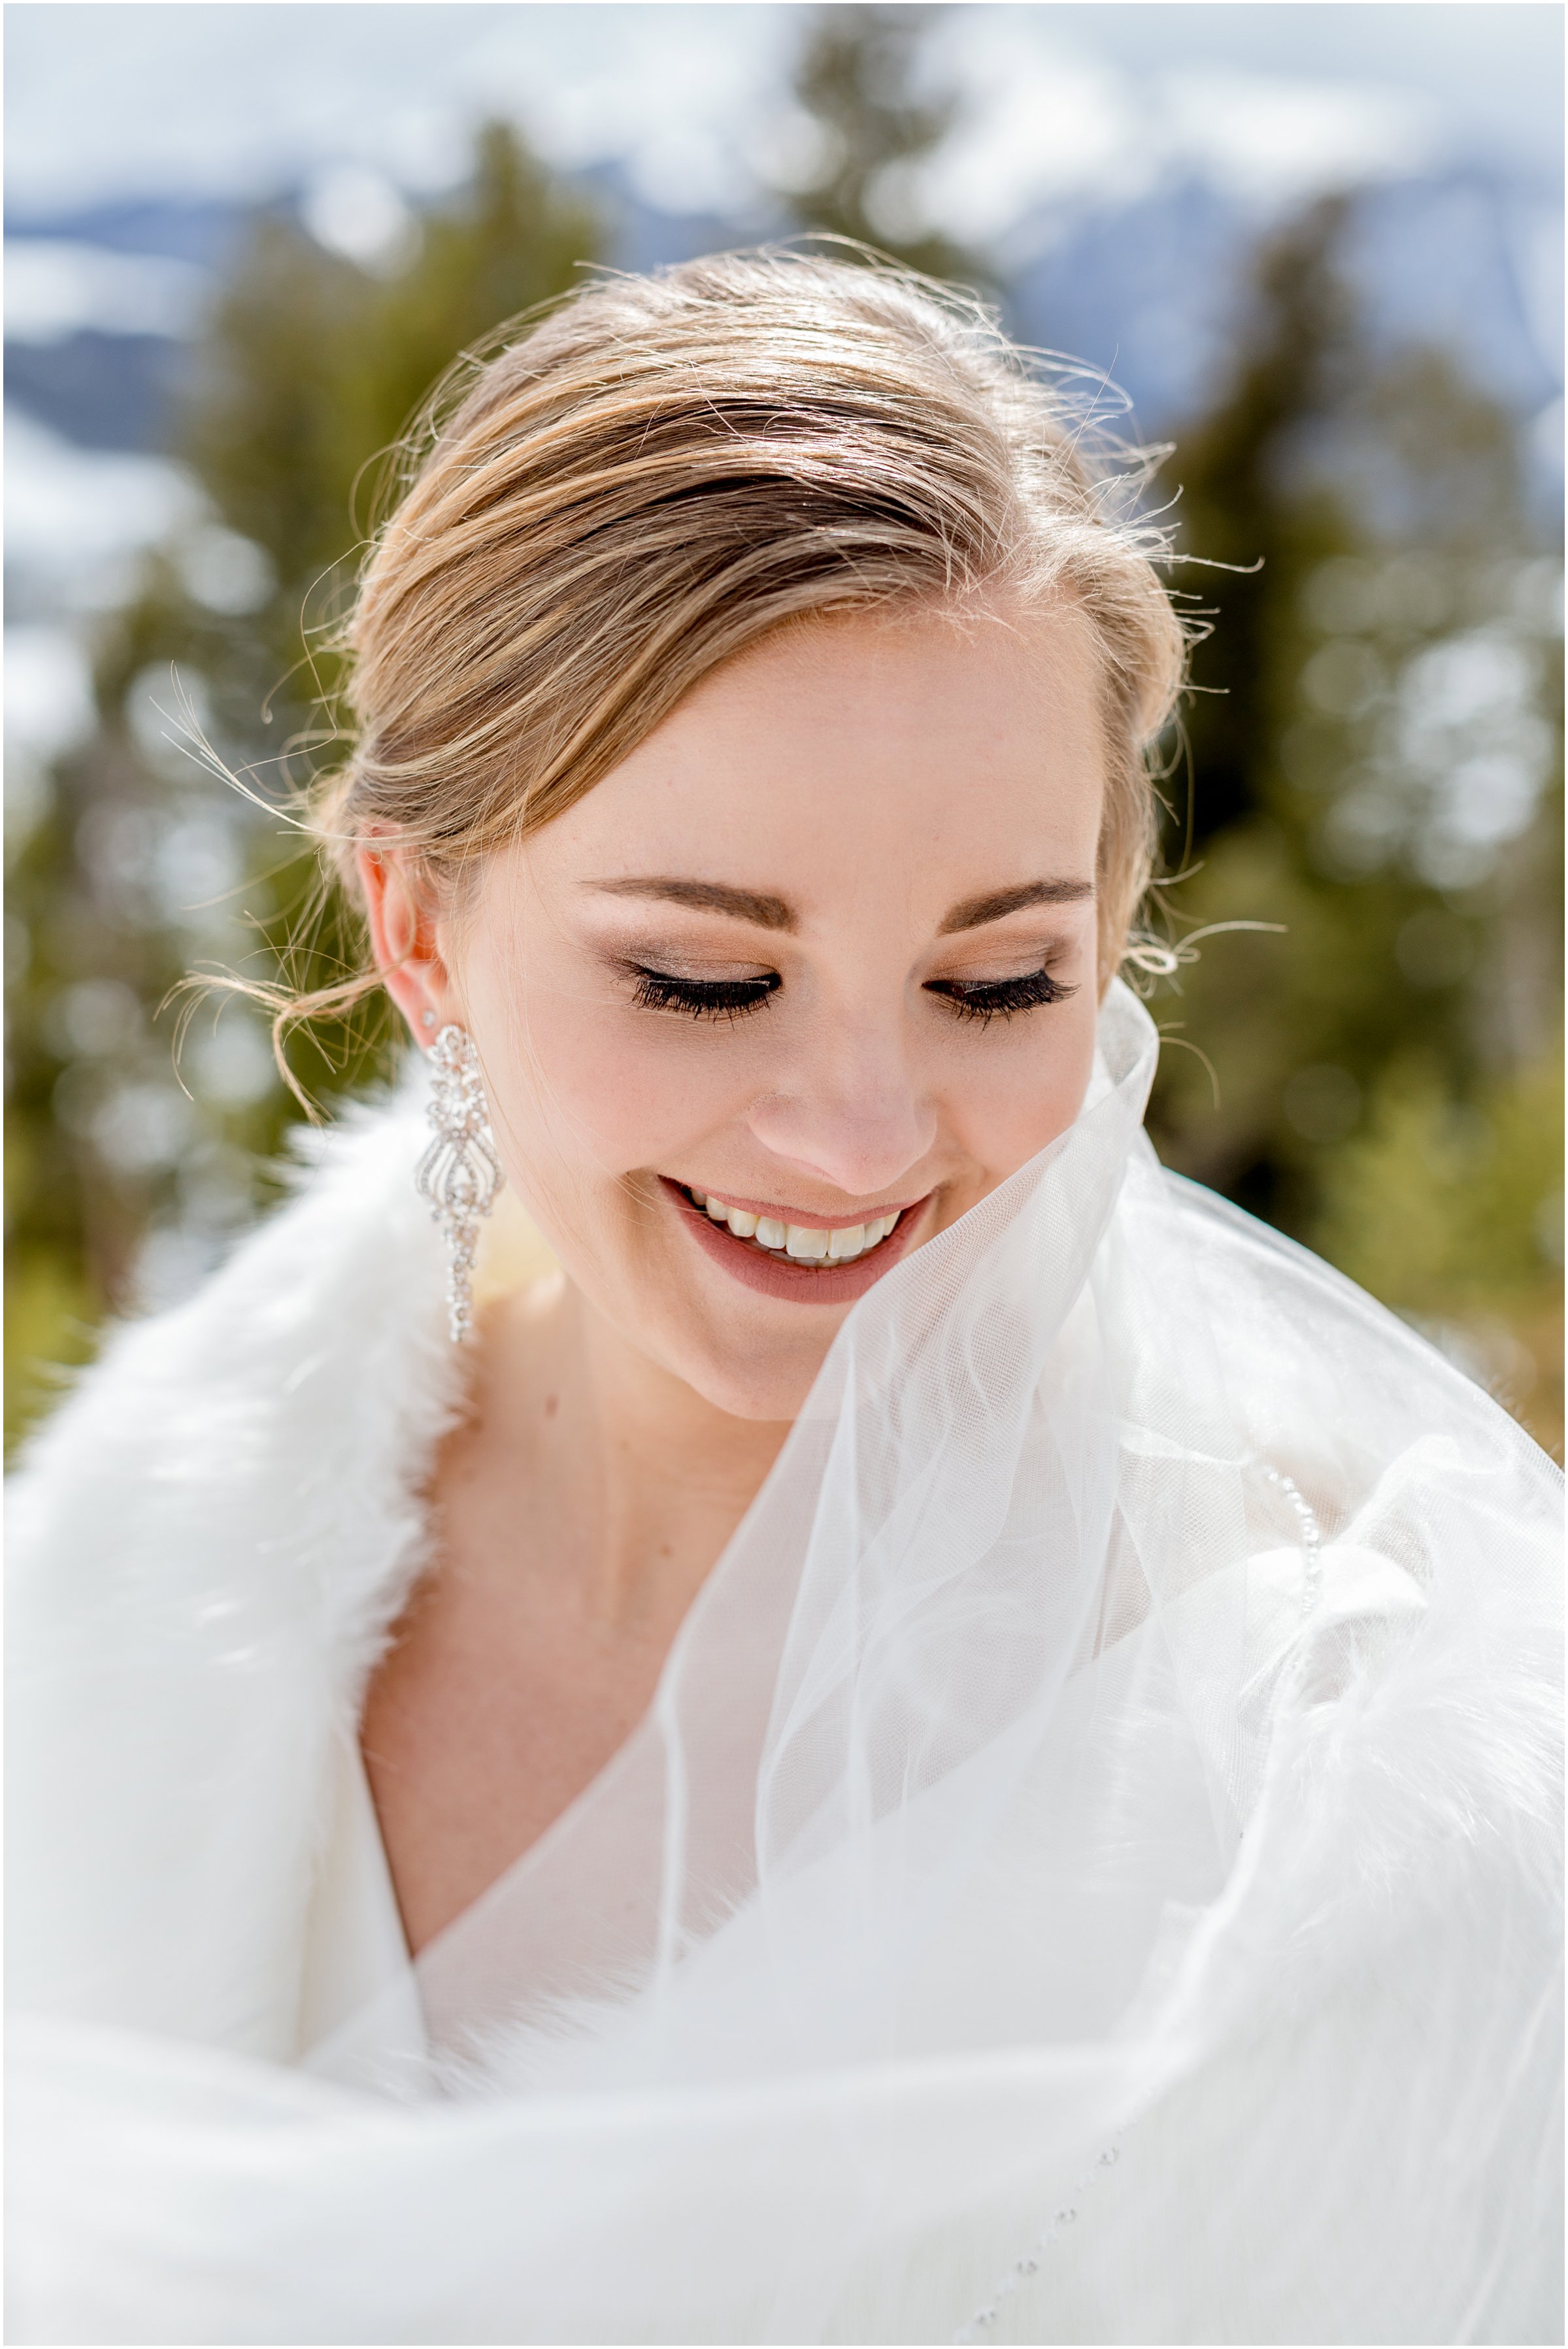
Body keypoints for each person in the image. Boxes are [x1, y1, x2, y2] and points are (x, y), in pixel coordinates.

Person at [8, 252, 1560, 2348]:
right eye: (704, 977)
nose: (855, 1140)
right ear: (419, 927)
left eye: (997, 978)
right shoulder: (128, 1573)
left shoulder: (1343, 1767)